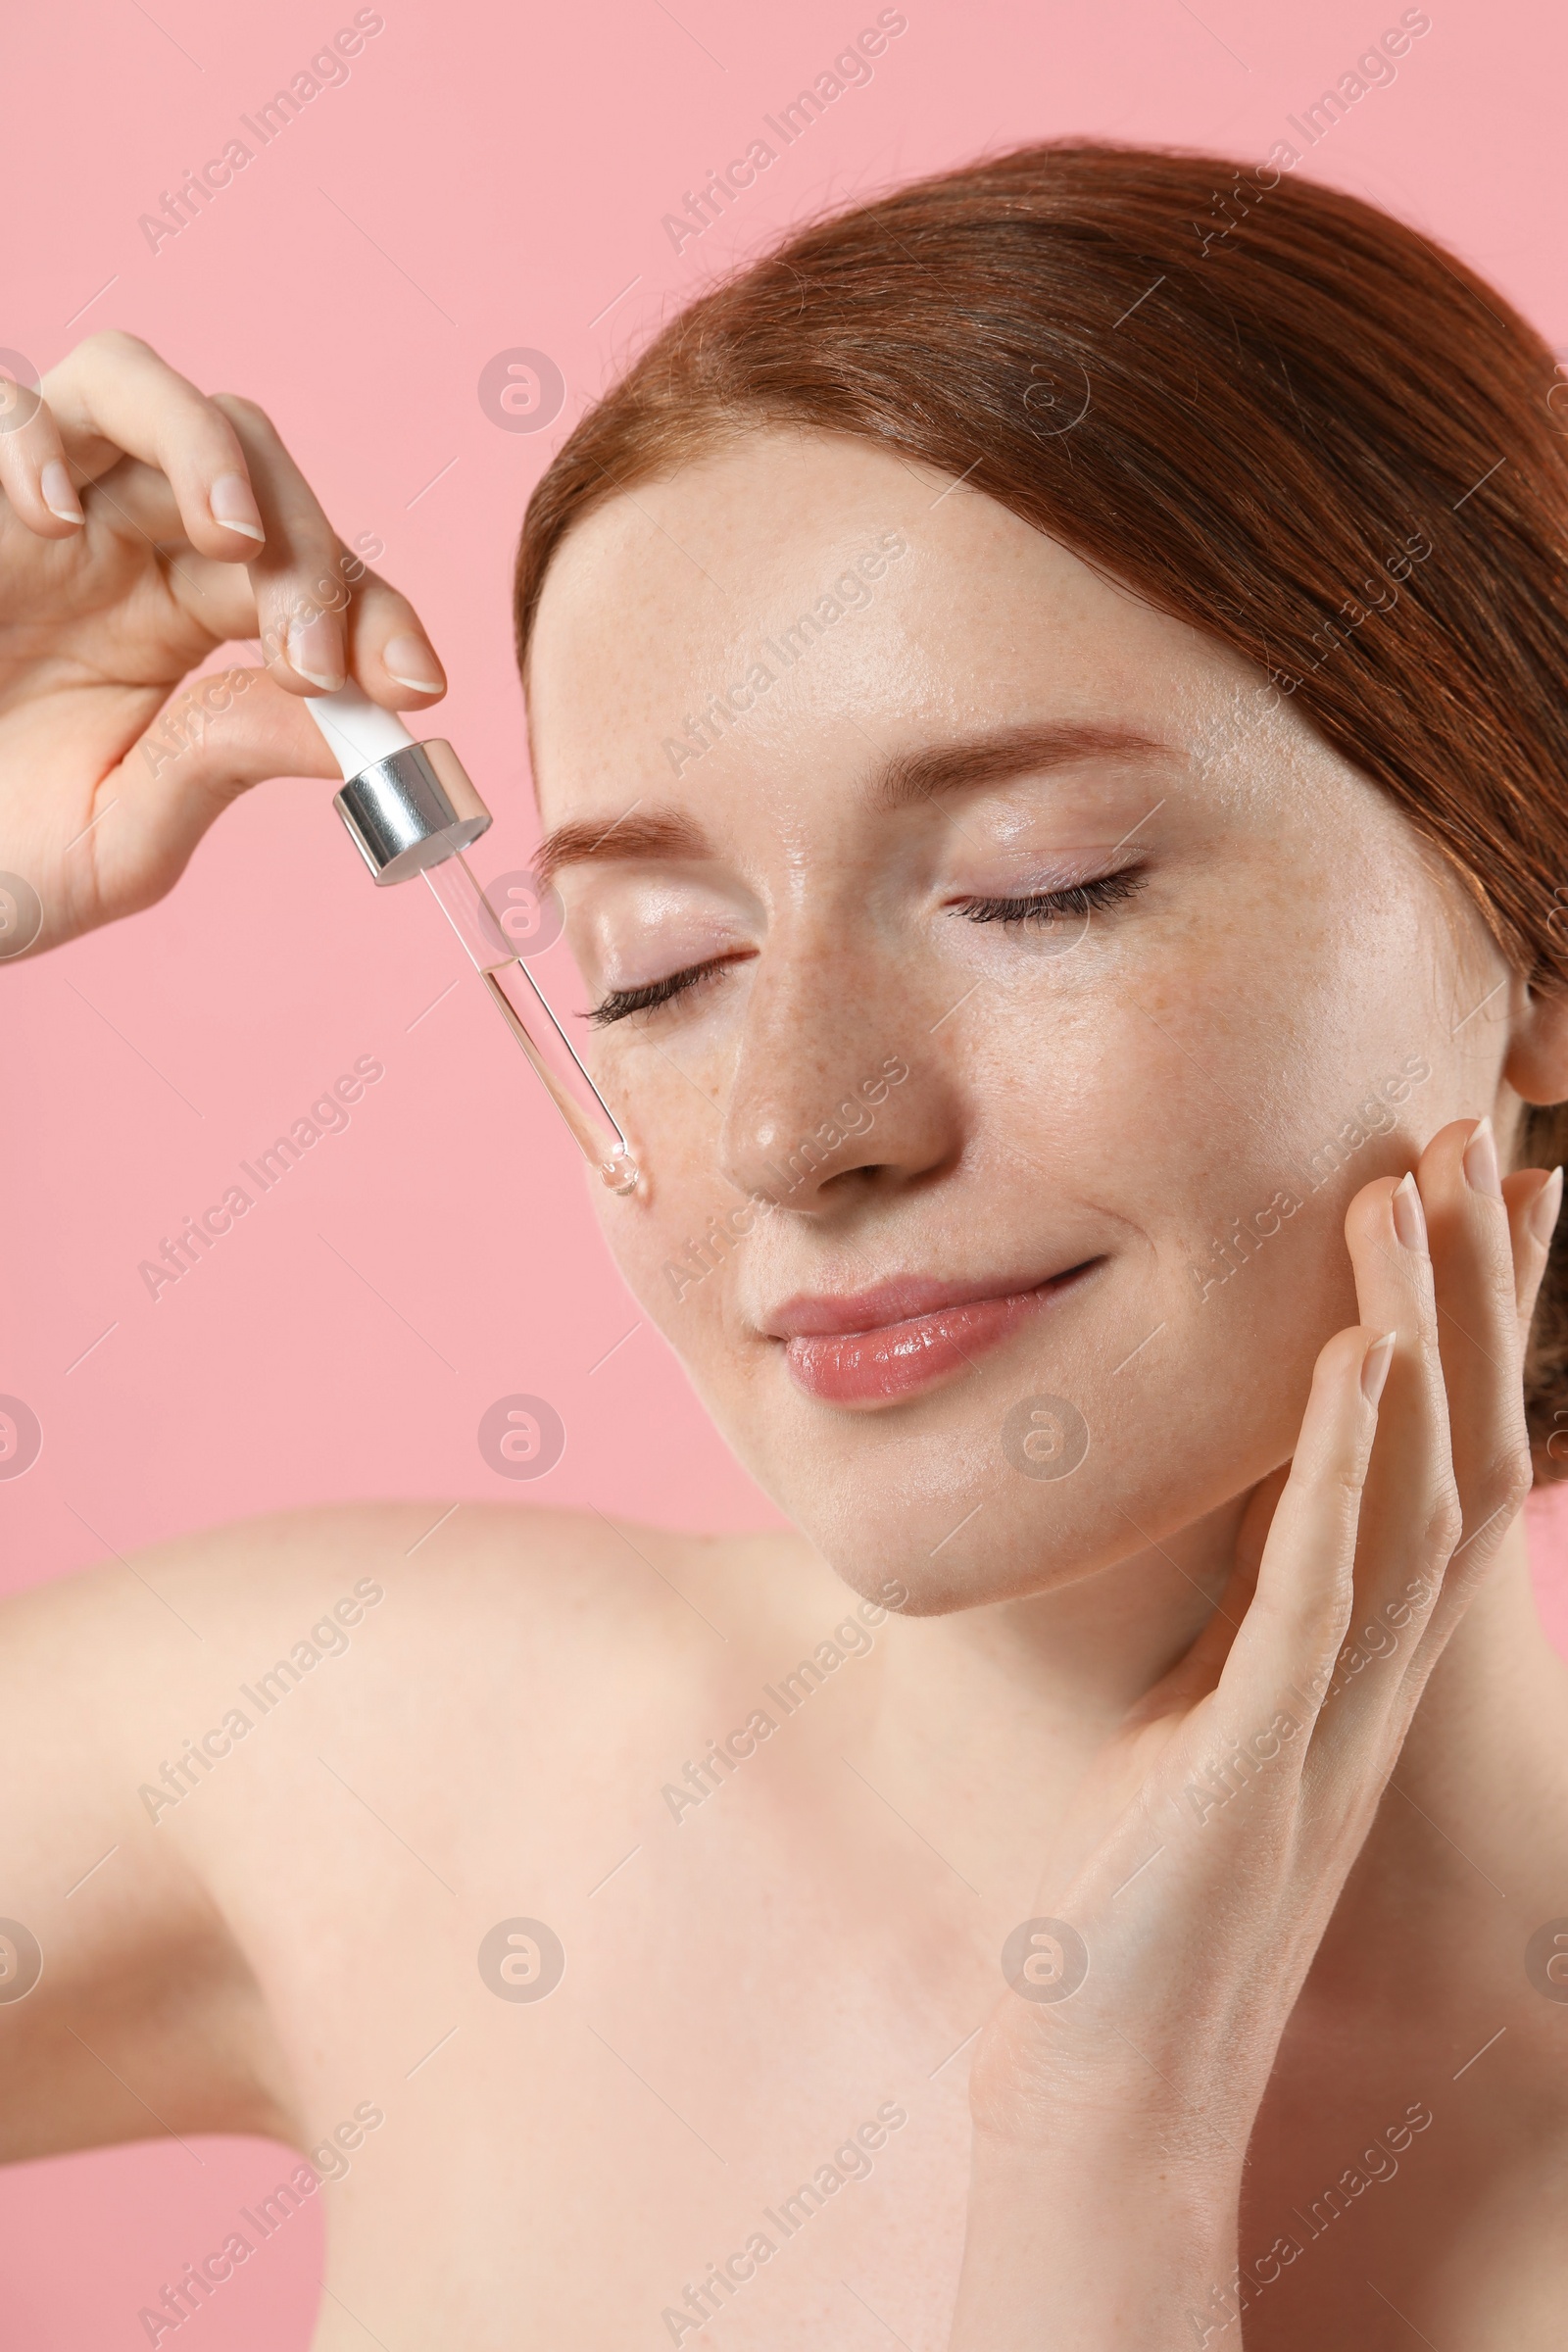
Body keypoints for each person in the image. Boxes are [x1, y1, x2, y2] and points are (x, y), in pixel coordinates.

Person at [3, 142, 1567, 2349]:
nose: (791, 1132)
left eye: (1035, 890)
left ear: (1537, 937)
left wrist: (1098, 2161)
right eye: (652, 965)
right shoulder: (372, 1765)